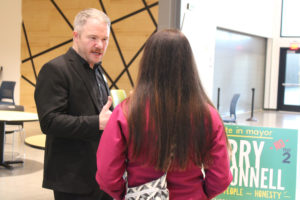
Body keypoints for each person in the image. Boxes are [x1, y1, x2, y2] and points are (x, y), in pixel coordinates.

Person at [95, 29, 233, 200]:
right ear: (188, 64)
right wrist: (199, 193)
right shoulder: (208, 115)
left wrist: (126, 194)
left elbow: (107, 174)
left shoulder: (126, 112)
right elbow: (220, 177)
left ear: (147, 63)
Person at [34, 8, 113, 200]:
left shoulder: (98, 71)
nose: (100, 45)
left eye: (104, 39)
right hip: (72, 180)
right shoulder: (55, 69)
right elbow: (50, 122)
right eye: (93, 38)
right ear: (75, 36)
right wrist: (97, 123)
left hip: (102, 177)